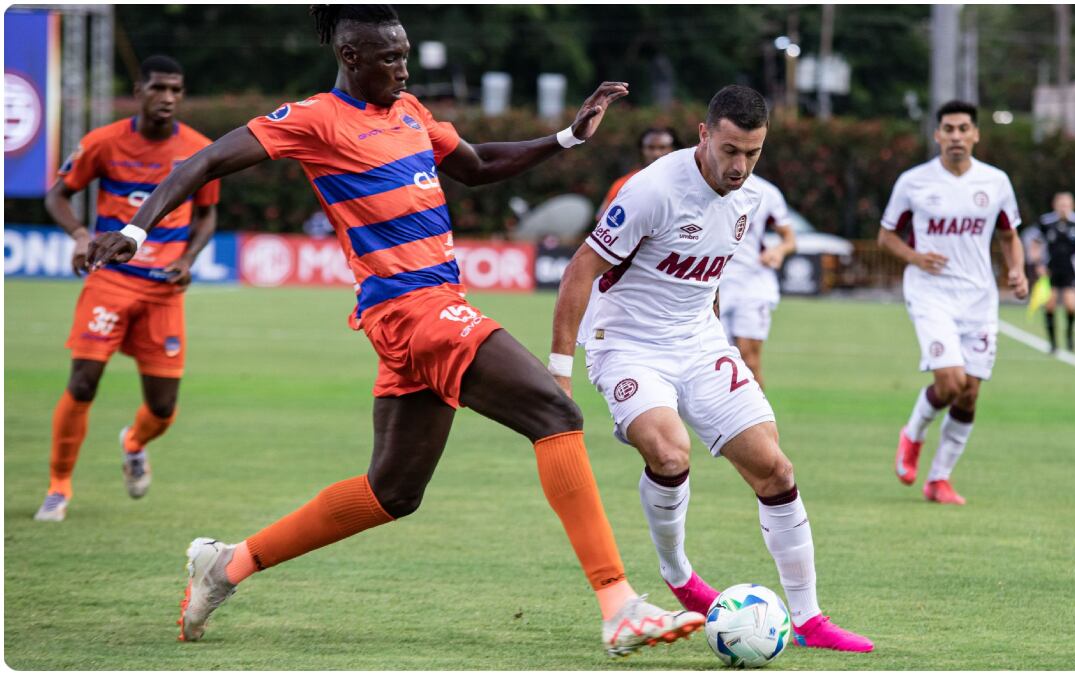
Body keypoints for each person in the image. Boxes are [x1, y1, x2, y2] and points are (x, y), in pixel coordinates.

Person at [86, 5, 701, 656]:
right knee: (554, 411)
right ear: (350, 56)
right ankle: (618, 603)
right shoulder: (316, 119)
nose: (404, 68)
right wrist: (135, 228)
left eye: (407, 53)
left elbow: (477, 163)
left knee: (393, 492)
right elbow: (206, 161)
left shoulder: (410, 112)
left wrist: (567, 138)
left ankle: (228, 563)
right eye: (391, 57)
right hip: (411, 309)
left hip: (427, 310)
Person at [551, 85, 873, 653]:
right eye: (729, 150)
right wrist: (558, 374)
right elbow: (579, 272)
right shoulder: (650, 191)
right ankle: (679, 575)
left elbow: (708, 274)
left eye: (752, 153)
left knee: (775, 469)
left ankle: (809, 619)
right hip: (627, 345)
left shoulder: (750, 200)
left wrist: (715, 339)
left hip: (699, 343)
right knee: (672, 452)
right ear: (704, 135)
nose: (740, 166)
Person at [36, 55, 219, 522]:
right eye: (159, 88)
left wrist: (186, 259)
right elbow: (57, 194)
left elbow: (206, 214)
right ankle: (58, 487)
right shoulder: (103, 142)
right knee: (82, 382)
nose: (168, 98)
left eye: (176, 90)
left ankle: (134, 443)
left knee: (163, 409)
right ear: (139, 91)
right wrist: (80, 235)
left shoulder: (199, 149)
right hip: (111, 281)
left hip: (163, 290)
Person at [879, 100, 1028, 506]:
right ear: (937, 135)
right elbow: (886, 236)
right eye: (949, 129)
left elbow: (1009, 235)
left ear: (976, 134)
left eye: (964, 129)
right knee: (950, 381)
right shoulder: (914, 182)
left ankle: (939, 479)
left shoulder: (995, 182)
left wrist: (1018, 271)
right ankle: (912, 434)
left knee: (969, 394)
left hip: (979, 298)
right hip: (931, 292)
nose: (956, 136)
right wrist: (914, 257)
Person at [717, 174, 796, 387]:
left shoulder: (765, 191)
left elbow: (789, 238)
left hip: (752, 283)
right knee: (713, 364)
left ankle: (757, 420)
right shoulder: (703, 186)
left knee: (749, 360)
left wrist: (778, 251)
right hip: (712, 284)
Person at [1029, 192, 1075, 353]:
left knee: (1071, 305)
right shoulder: (1046, 222)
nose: (1063, 208)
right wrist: (1038, 264)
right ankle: (1053, 343)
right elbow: (1035, 244)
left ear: (1072, 206)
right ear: (1055, 205)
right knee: (1049, 305)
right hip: (1051, 269)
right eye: (1061, 204)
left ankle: (1070, 336)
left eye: (1067, 204)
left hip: (1071, 269)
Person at [594, 127, 681, 220]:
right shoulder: (626, 182)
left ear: (673, 149)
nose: (656, 153)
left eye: (662, 147)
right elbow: (603, 217)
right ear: (642, 150)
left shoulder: (686, 180)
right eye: (650, 147)